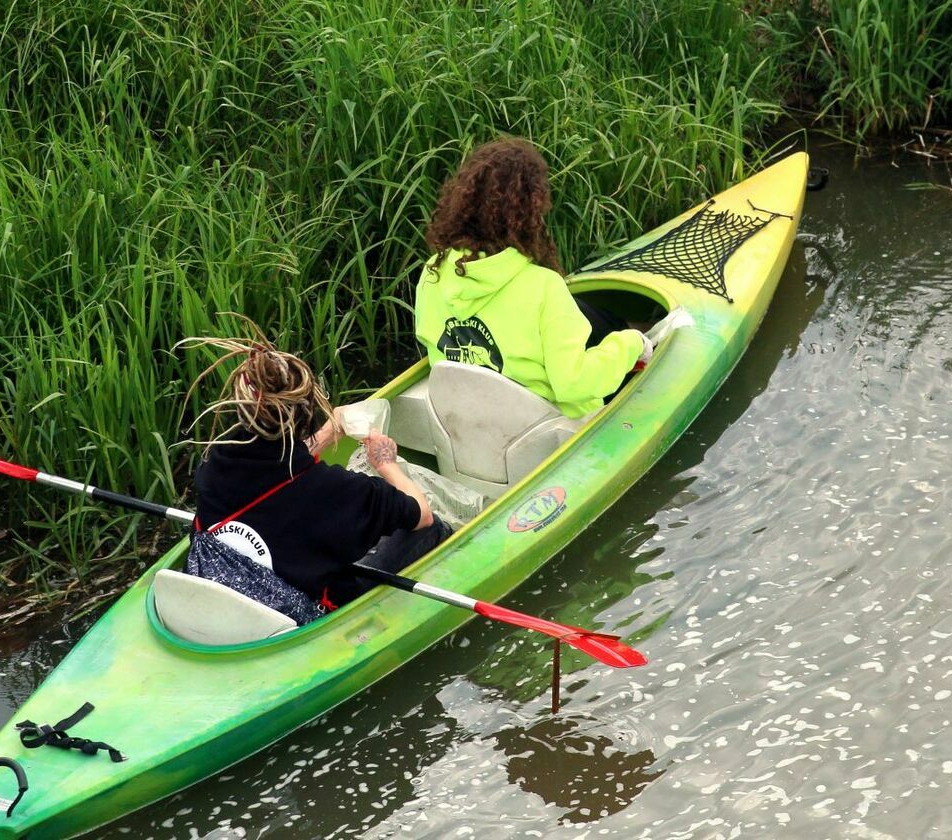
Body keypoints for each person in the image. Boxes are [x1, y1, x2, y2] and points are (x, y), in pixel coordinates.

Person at [182, 320, 452, 615]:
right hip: (297, 614)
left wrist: (324, 435)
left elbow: (276, 473)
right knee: (434, 528)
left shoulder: (214, 462)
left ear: (244, 410)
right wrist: (386, 463)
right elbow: (421, 516)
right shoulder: (337, 491)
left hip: (223, 593)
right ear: (307, 410)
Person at [415, 137, 652, 419]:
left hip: (468, 424)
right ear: (531, 212)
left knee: (586, 313)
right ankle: (642, 329)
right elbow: (574, 385)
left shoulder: (433, 271)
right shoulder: (544, 287)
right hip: (550, 432)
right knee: (619, 351)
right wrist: (630, 344)